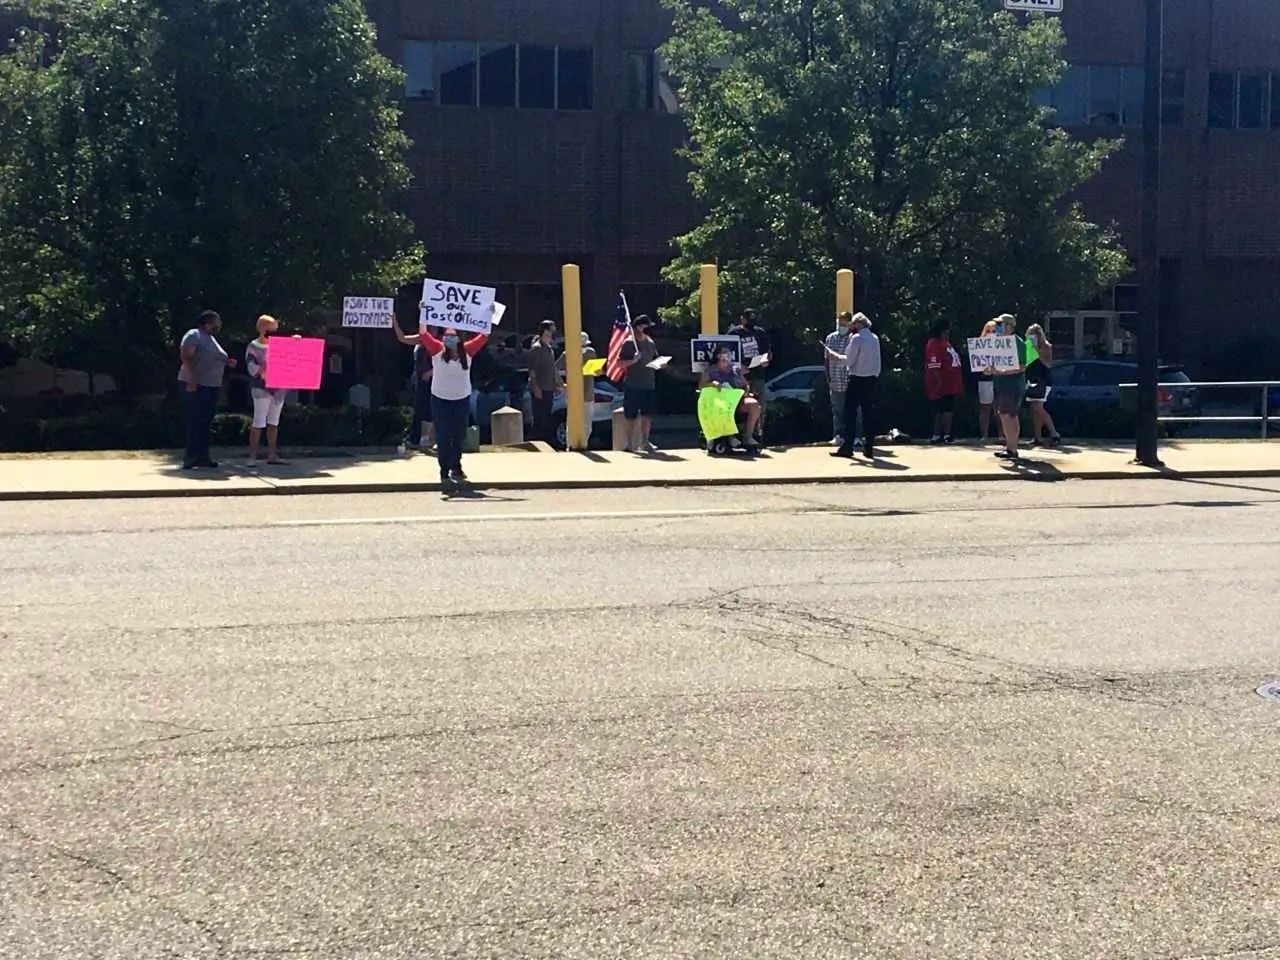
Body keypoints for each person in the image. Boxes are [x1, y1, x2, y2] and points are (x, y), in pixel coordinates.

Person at [393, 322, 488, 489]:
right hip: (440, 399)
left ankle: (456, 465)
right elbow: (424, 334)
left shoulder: (467, 350)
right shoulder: (437, 349)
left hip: (461, 399)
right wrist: (423, 316)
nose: (449, 339)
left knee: (458, 435)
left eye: (453, 336)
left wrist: (488, 315)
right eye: (447, 336)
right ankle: (444, 469)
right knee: (443, 436)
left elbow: (484, 336)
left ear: (459, 338)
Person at [177, 309, 235, 469]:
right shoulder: (194, 335)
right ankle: (190, 457)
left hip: (211, 385)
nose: (219, 324)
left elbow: (213, 356)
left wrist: (227, 362)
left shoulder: (211, 339)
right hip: (197, 384)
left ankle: (203, 457)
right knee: (195, 420)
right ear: (208, 322)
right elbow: (186, 356)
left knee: (205, 422)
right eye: (217, 320)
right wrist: (192, 379)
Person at [832, 313, 881, 460]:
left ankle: (847, 446)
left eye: (853, 324)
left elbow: (849, 360)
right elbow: (877, 360)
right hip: (871, 378)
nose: (851, 326)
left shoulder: (857, 338)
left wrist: (837, 357)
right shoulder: (874, 338)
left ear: (859, 324)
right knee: (868, 413)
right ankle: (869, 447)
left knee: (850, 413)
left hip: (857, 378)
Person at [244, 314, 290, 466]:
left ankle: (272, 455)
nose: (274, 332)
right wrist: (262, 367)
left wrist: (296, 341)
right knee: (259, 422)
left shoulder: (280, 345)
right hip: (261, 388)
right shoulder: (253, 346)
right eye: (271, 329)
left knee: (274, 423)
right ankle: (252, 457)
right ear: (262, 328)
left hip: (279, 389)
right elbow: (251, 368)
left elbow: (294, 354)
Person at [703, 349, 762, 450]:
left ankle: (748, 436)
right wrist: (713, 383)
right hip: (718, 401)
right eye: (724, 357)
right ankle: (728, 436)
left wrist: (746, 389)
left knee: (755, 405)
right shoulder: (709, 370)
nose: (727, 359)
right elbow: (701, 386)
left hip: (736, 400)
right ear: (718, 357)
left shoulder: (734, 369)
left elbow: (745, 384)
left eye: (728, 357)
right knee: (724, 408)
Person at [619, 314, 661, 453]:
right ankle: (629, 443)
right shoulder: (629, 343)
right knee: (630, 415)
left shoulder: (650, 342)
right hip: (633, 384)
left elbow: (654, 359)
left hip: (648, 383)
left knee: (647, 415)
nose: (647, 329)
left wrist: (660, 364)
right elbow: (620, 363)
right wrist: (633, 360)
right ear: (638, 327)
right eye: (645, 326)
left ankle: (645, 442)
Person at [728, 308, 772, 439]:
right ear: (742, 319)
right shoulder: (734, 333)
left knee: (760, 405)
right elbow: (726, 353)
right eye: (748, 319)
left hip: (757, 374)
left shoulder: (760, 332)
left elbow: (768, 351)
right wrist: (738, 365)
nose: (750, 322)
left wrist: (766, 360)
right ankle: (737, 433)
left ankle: (757, 433)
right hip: (739, 376)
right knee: (739, 406)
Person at [989, 314, 1027, 461]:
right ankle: (1010, 447)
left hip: (1013, 384)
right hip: (1001, 383)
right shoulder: (997, 342)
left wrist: (1004, 371)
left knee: (1008, 415)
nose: (997, 327)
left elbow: (1022, 366)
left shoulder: (1018, 342)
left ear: (1009, 326)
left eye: (1000, 324)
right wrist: (990, 370)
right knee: (1006, 415)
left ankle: (1012, 448)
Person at [924, 318, 965, 444]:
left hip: (951, 383)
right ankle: (937, 434)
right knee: (938, 409)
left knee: (948, 409)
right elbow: (933, 365)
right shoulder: (934, 344)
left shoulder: (946, 343)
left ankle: (947, 434)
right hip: (941, 383)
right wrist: (938, 381)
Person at [1024, 323, 1062, 447]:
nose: (1032, 336)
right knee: (1034, 409)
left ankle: (1054, 433)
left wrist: (1037, 350)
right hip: (1031, 379)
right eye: (1030, 334)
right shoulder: (1027, 346)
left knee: (1039, 407)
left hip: (1043, 380)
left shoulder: (1046, 346)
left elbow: (1048, 364)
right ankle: (1037, 437)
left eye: (1034, 334)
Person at [559, 330, 598, 447]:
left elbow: (555, 369)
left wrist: (562, 384)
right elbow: (556, 369)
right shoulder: (587, 352)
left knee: (575, 422)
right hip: (582, 393)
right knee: (582, 423)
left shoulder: (569, 353)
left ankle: (573, 445)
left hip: (580, 392)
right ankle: (579, 445)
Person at [527, 320, 561, 443]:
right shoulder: (537, 348)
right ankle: (536, 442)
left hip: (548, 388)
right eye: (548, 332)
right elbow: (532, 371)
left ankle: (546, 442)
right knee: (539, 419)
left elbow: (552, 369)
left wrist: (556, 385)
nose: (550, 335)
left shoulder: (549, 349)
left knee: (547, 417)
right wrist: (536, 388)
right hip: (539, 389)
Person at [823, 312, 854, 445]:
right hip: (835, 380)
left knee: (854, 410)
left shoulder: (853, 338)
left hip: (850, 380)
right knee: (837, 410)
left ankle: (856, 436)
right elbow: (826, 359)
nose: (841, 326)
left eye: (844, 324)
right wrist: (827, 375)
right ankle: (838, 435)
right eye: (839, 323)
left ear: (850, 324)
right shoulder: (830, 338)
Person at [408, 336, 435, 451]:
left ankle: (429, 440)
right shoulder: (420, 346)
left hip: (434, 382)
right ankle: (417, 440)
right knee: (421, 410)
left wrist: (431, 372)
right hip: (421, 382)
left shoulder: (438, 345)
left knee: (431, 411)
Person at [975, 320, 999, 444]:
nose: (992, 333)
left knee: (1000, 408)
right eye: (989, 331)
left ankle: (1002, 435)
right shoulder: (980, 345)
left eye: (994, 331)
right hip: (985, 380)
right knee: (985, 408)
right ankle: (984, 435)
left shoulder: (1003, 344)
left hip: (1000, 378)